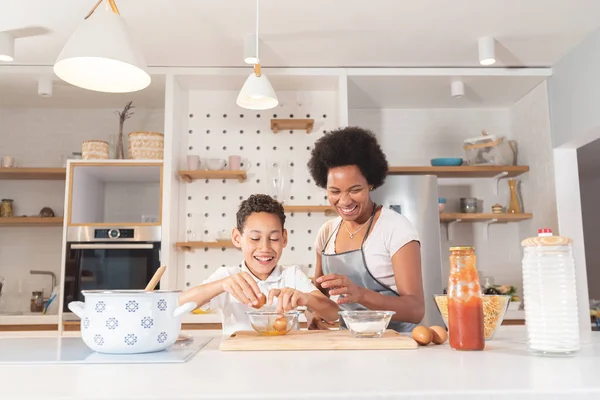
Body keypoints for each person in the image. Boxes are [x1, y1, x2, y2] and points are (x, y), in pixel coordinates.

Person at [307, 126, 424, 332]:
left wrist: (361, 295)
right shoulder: (327, 232)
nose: (344, 201)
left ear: (370, 183)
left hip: (394, 343)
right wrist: (315, 314)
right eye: (334, 191)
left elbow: (415, 309)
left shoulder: (395, 228)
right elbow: (320, 296)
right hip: (348, 343)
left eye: (355, 190)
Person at [179, 194, 339, 335]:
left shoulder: (292, 275)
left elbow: (333, 313)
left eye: (274, 239)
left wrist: (306, 298)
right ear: (236, 238)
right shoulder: (229, 276)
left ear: (284, 238)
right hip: (238, 362)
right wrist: (222, 285)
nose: (265, 248)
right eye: (255, 238)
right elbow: (180, 304)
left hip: (285, 361)